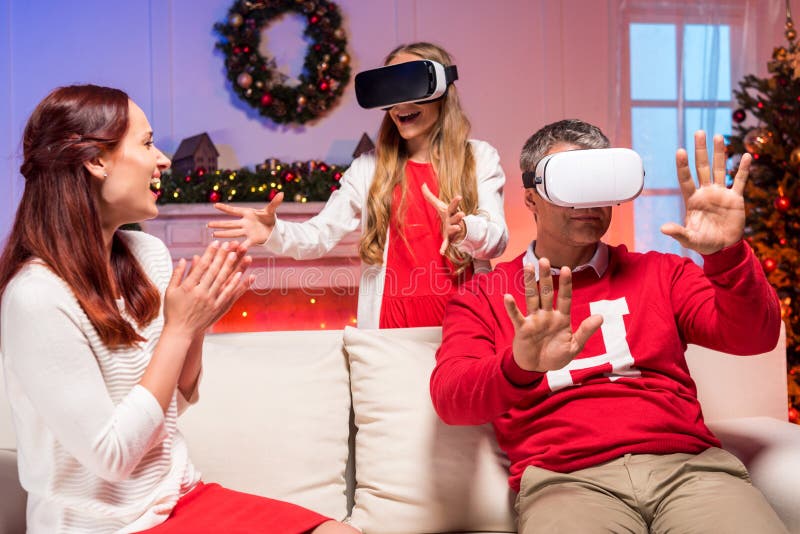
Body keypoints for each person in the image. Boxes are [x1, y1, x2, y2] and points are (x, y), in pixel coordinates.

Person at [0, 85, 358, 534]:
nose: (164, 160)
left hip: (180, 496)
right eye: (147, 143)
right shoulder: (36, 296)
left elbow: (179, 400)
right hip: (100, 525)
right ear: (96, 161)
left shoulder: (146, 254)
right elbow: (112, 455)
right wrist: (178, 328)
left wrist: (196, 325)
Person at [429, 119, 788, 533]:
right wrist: (519, 365)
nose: (587, 200)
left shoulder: (662, 273)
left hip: (690, 470)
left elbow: (754, 338)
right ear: (530, 197)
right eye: (570, 184)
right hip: (566, 483)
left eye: (597, 182)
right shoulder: (484, 295)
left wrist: (728, 254)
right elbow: (451, 400)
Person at [209, 42, 508, 329]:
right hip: (389, 330)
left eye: (411, 87)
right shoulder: (368, 168)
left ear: (441, 90)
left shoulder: (479, 158)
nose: (400, 105)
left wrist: (465, 229)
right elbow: (320, 234)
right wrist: (272, 233)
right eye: (391, 92)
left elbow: (497, 241)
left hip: (465, 326)